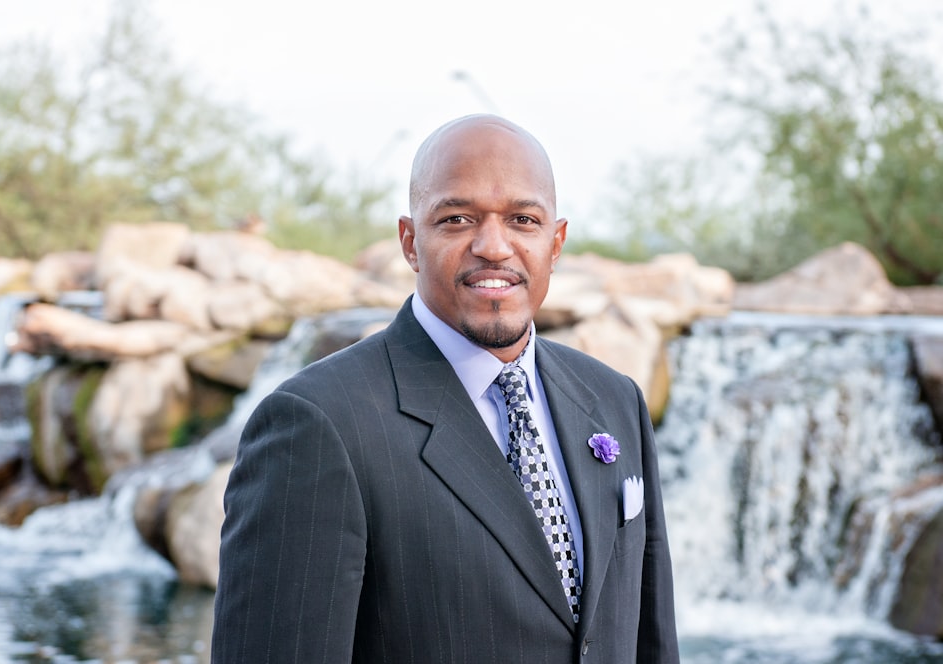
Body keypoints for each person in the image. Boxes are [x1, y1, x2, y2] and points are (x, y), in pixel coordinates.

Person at [211, 114, 680, 663]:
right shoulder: (317, 423)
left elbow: (650, 642)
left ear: (556, 243)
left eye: (522, 220)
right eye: (457, 218)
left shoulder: (614, 399)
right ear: (411, 242)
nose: (494, 246)